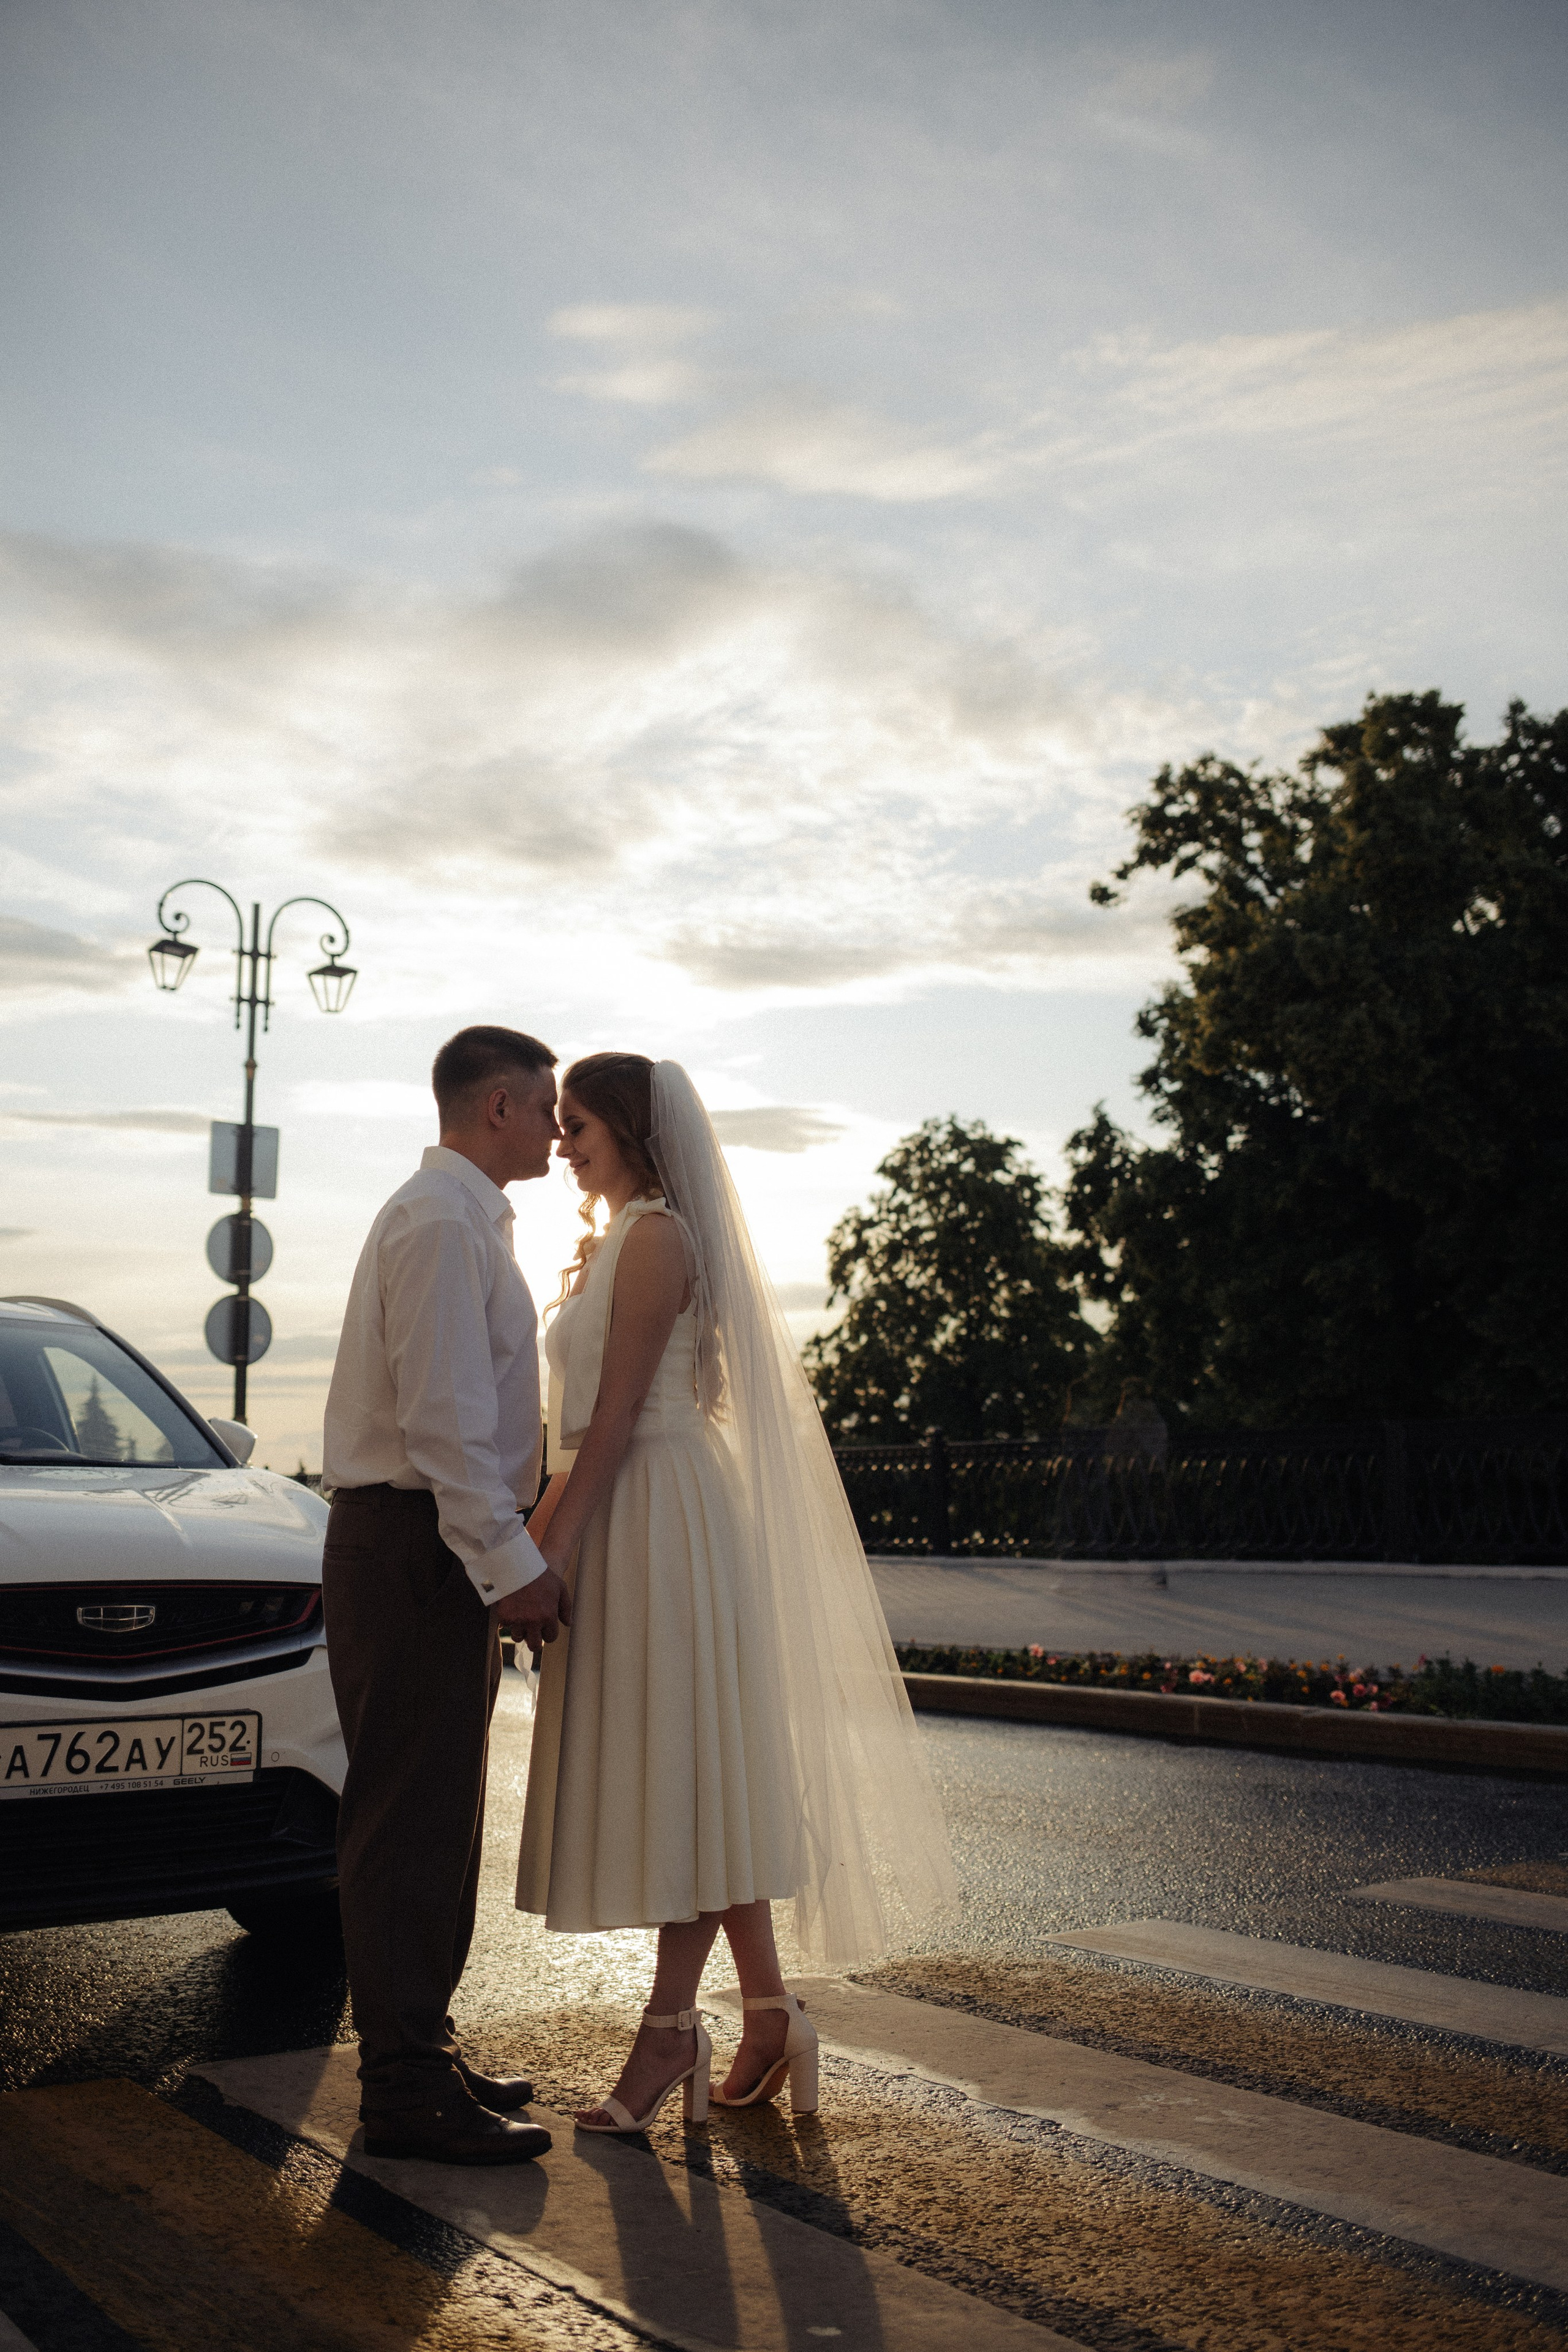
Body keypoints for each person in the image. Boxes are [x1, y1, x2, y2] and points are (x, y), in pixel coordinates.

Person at [516, 1055, 956, 2134]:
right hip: (631, 1505)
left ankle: (670, 2029)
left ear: (628, 1128)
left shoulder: (658, 1236)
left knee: (683, 1773)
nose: (562, 1141)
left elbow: (616, 1417)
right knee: (701, 1770)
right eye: (560, 1123)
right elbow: (581, 1433)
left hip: (659, 1512)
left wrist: (553, 1553)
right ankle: (768, 2016)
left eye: (577, 1124)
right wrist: (540, 1534)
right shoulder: (621, 1238)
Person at [322, 1024, 571, 2165]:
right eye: (549, 1106)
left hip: (427, 1545)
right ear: (499, 1107)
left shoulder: (467, 1218)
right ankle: (402, 2089)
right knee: (408, 1815)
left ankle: (420, 2044)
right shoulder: (438, 1224)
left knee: (438, 1809)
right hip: (412, 1543)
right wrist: (512, 1567)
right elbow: (445, 1424)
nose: (564, 1130)